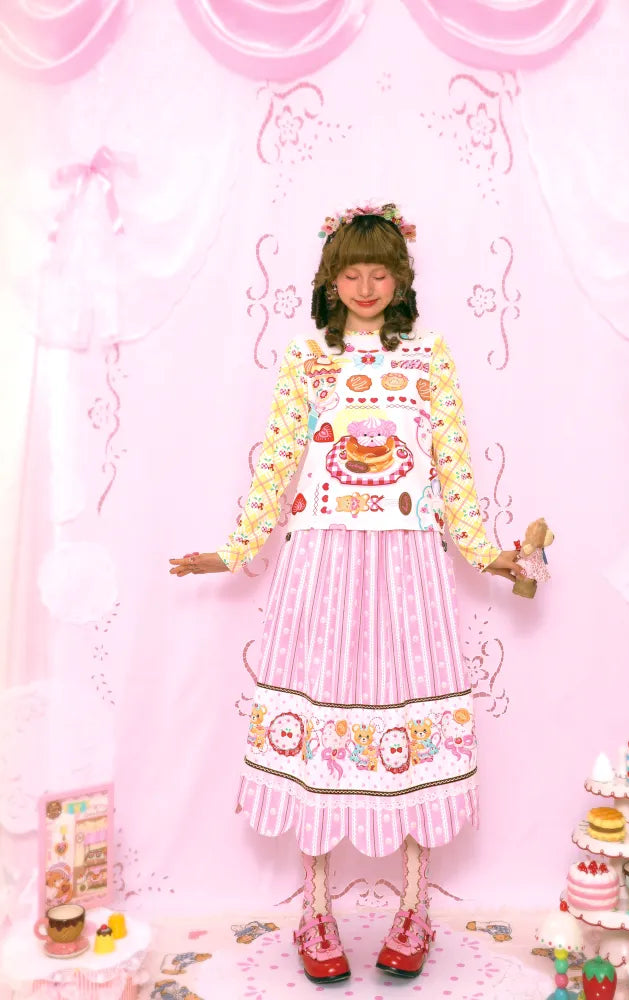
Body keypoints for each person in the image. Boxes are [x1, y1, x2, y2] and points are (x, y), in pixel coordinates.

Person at [169, 203, 524, 985]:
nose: (366, 286)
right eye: (352, 273)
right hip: (324, 561)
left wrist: (487, 553)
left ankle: (415, 905)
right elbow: (278, 461)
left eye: (380, 272)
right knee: (320, 730)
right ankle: (317, 908)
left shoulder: (429, 358)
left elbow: (454, 468)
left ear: (401, 279)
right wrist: (233, 550)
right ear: (331, 282)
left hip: (409, 562)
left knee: (411, 727)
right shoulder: (308, 358)